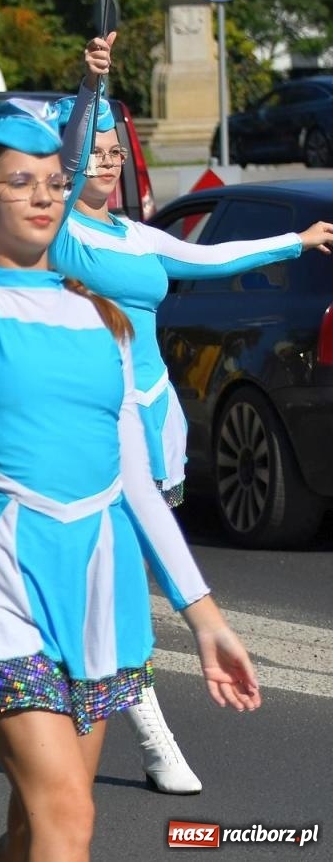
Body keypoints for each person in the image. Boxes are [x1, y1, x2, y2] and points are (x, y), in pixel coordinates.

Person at [0, 0, 259, 860]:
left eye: (53, 182)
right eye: (16, 183)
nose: (41, 196)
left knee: (33, 826)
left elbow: (136, 481)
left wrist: (205, 616)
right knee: (72, 818)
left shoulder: (102, 317)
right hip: (6, 567)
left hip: (104, 584)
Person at [47, 40, 333, 795]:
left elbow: (210, 261)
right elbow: (67, 161)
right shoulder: (57, 235)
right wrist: (90, 84)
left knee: (125, 586)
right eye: (91, 151)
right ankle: (152, 735)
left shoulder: (135, 236)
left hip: (153, 418)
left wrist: (295, 241)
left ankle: (110, 709)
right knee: (108, 589)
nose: (105, 163)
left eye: (114, 152)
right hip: (92, 427)